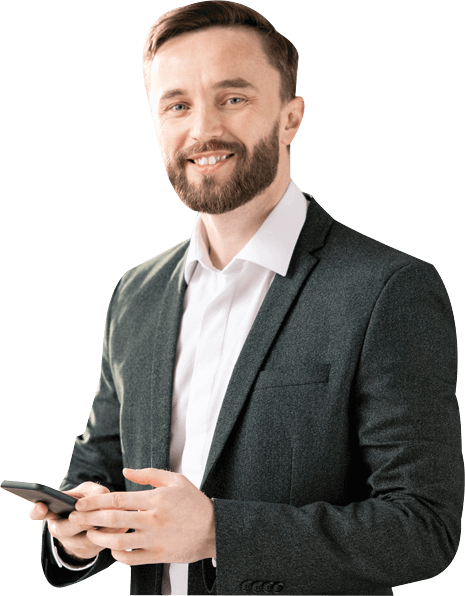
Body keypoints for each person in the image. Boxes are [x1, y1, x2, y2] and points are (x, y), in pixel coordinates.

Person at [29, 1, 464, 595]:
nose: (202, 129)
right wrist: (76, 532)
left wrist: (218, 532)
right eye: (177, 105)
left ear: (291, 118)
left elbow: (423, 527)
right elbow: (96, 472)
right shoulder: (136, 293)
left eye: (232, 98)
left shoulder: (388, 289)